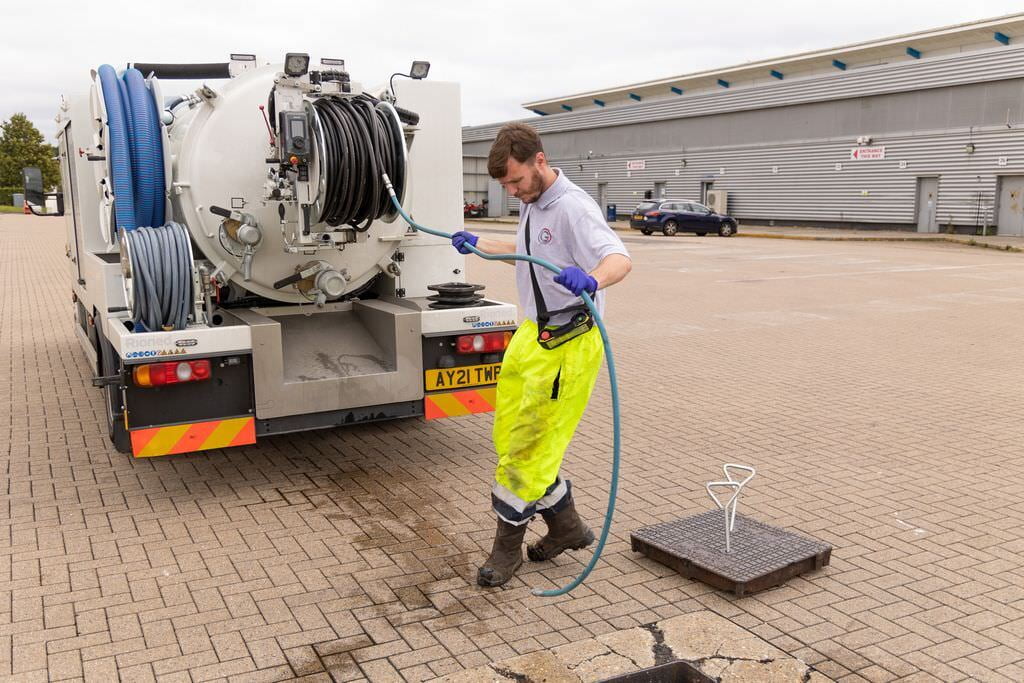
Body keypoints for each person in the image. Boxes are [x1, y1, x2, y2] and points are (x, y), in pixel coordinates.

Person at [451, 123, 631, 587]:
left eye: (516, 182)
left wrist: (592, 278)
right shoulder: (534, 204)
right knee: (511, 436)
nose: (512, 192)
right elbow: (527, 252)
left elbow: (618, 258)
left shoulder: (572, 207)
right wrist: (480, 244)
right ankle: (568, 528)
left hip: (567, 346)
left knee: (529, 449)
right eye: (505, 186)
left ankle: (505, 550)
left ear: (540, 161)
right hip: (532, 337)